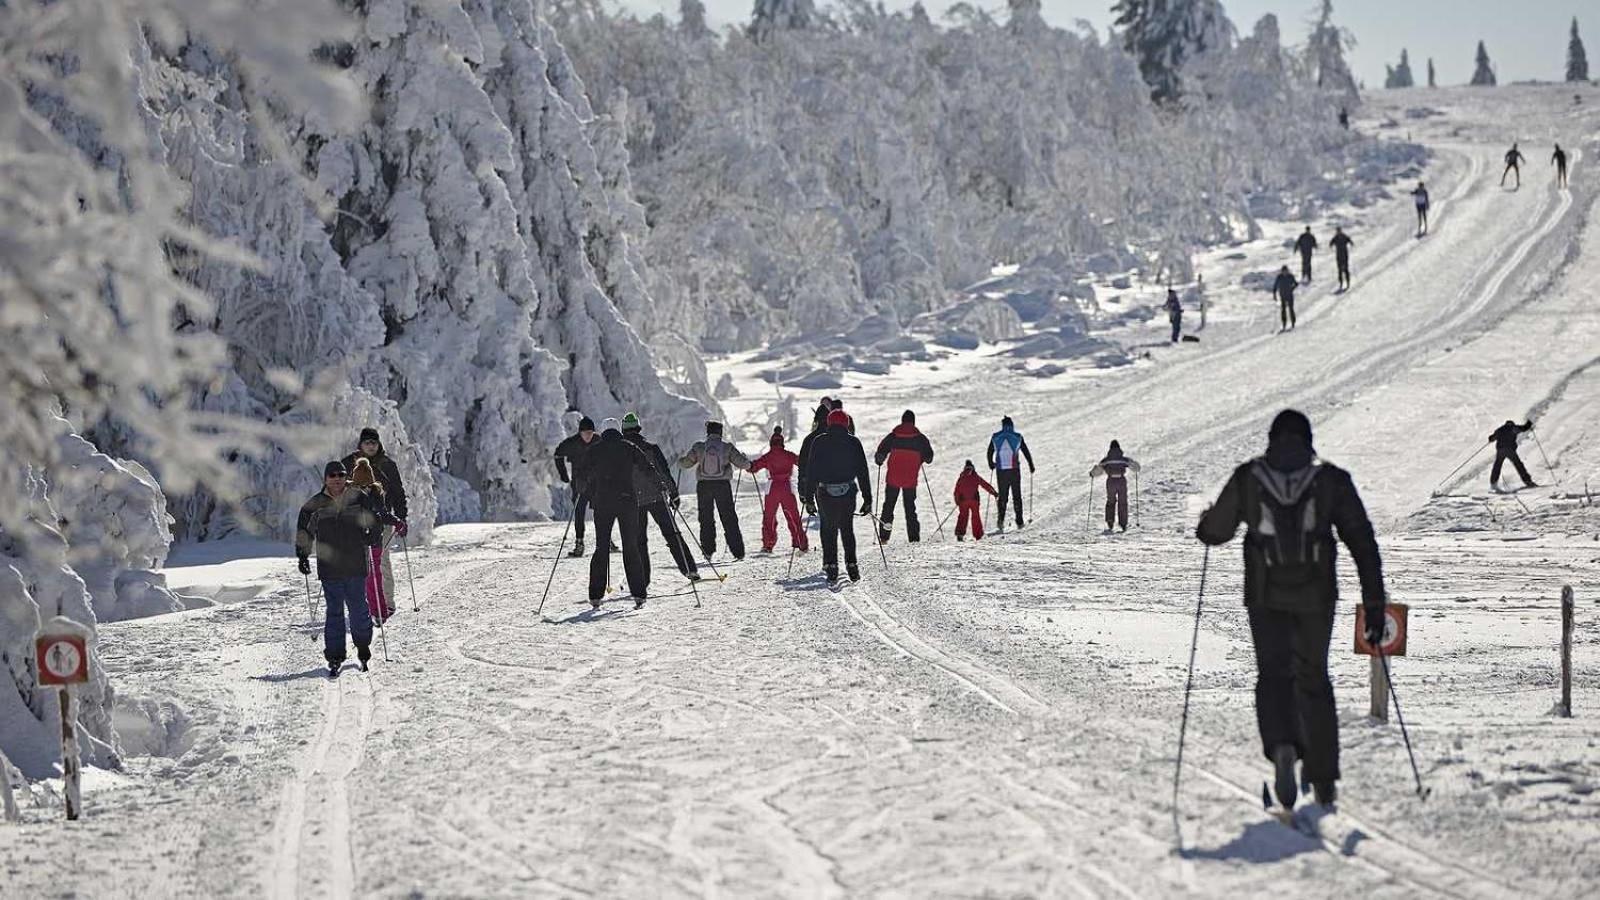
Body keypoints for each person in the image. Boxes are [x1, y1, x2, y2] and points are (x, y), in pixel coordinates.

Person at [1196, 410, 1387, 811]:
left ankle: (1283, 746)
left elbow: (1217, 531)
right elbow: (1363, 542)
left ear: (1272, 438)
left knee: (1273, 674)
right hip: (1317, 597)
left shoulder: (1250, 476)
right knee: (1314, 677)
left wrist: (1205, 521)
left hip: (1264, 597)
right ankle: (1322, 779)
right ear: (1307, 438)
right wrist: (1373, 605)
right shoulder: (1330, 479)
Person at [296, 461, 384, 677]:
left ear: (346, 478)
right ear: (325, 479)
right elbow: (304, 532)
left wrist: (372, 536)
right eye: (332, 475)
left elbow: (374, 519)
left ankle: (363, 646)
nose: (337, 479)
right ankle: (335, 655)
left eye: (341, 475)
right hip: (330, 567)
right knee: (334, 611)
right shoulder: (315, 504)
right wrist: (303, 555)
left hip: (355, 562)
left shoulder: (358, 498)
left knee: (358, 608)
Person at [579, 418, 663, 608]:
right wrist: (660, 484)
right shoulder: (629, 447)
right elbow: (647, 466)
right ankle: (639, 594)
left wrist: (582, 487)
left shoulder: (594, 450)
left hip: (603, 503)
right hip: (627, 502)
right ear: (618, 431)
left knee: (601, 547)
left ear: (602, 432)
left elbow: (581, 472)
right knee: (631, 546)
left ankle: (595, 596)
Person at [620, 413, 700, 583]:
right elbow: (663, 472)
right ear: (638, 428)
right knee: (672, 534)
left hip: (635, 502)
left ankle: (643, 580)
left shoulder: (622, 452)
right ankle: (689, 569)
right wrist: (673, 493)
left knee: (639, 541)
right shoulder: (652, 448)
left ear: (623, 431)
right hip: (658, 497)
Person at [799, 409, 872, 584]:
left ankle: (831, 566)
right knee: (847, 528)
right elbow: (863, 471)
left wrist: (809, 498)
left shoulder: (819, 441)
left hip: (825, 492)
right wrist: (867, 498)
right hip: (848, 490)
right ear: (846, 423)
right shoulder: (854, 442)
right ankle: (852, 564)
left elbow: (812, 471)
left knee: (829, 528)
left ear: (829, 423)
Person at [341, 428, 408, 604]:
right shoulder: (349, 463)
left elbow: (398, 492)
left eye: (374, 442)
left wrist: (402, 518)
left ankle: (386, 603)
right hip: (355, 522)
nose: (371, 446)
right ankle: (364, 603)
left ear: (379, 444)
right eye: (367, 442)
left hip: (382, 519)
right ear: (360, 444)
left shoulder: (387, 465)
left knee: (381, 561)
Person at [679, 421, 751, 560]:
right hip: (722, 485)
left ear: (708, 432)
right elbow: (744, 464)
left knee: (706, 518)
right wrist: (747, 460)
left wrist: (680, 461)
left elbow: (686, 463)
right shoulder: (727, 447)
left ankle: (708, 551)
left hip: (704, 486)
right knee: (728, 518)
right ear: (720, 432)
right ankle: (738, 552)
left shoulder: (699, 447)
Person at [349, 458, 403, 624]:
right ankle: (366, 611)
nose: (364, 488)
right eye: (361, 485)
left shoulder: (374, 495)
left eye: (366, 485)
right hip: (360, 543)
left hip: (372, 543)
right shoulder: (354, 496)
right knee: (363, 579)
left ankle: (378, 611)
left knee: (373, 578)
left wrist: (396, 521)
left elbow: (383, 514)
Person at [873, 410, 935, 543]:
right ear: (913, 422)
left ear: (902, 421)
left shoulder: (893, 436)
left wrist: (880, 459)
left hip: (893, 478)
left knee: (888, 507)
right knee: (910, 509)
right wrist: (921, 457)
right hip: (910, 479)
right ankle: (913, 539)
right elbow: (929, 458)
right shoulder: (920, 439)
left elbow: (880, 454)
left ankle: (884, 537)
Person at [749, 427, 808, 553]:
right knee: (793, 515)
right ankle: (800, 542)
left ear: (771, 443)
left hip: (772, 487)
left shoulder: (768, 456)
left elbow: (754, 467)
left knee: (769, 517)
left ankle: (768, 544)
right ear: (782, 443)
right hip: (787, 486)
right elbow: (802, 463)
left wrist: (748, 465)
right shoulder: (789, 455)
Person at [553, 417, 598, 557]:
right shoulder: (572, 443)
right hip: (579, 484)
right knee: (579, 512)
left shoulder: (598, 440)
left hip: (597, 483)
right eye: (585, 433)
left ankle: (605, 540)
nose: (588, 436)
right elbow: (557, 454)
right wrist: (563, 474)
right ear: (580, 433)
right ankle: (579, 542)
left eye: (590, 433)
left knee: (601, 511)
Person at [986, 416, 1035, 532]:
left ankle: (1000, 521)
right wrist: (1031, 466)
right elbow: (1026, 452)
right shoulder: (1018, 437)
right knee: (1016, 495)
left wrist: (991, 464)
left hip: (1001, 471)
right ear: (1012, 425)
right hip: (1014, 470)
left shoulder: (996, 437)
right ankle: (1019, 522)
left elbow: (989, 452)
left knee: (1003, 496)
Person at [1089, 441, 1141, 532]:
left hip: (1111, 481)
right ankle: (1123, 523)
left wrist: (1092, 474)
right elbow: (1136, 467)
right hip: (1121, 481)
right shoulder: (1124, 459)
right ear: (1119, 449)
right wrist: (1136, 467)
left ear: (1110, 449)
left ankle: (1110, 521)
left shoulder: (1106, 460)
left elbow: (1098, 470)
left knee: (1111, 501)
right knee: (1123, 502)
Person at [797, 399, 833, 519]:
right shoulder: (838, 437)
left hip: (818, 485)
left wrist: (802, 490)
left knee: (826, 520)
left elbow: (802, 466)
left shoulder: (809, 439)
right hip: (838, 484)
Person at [952, 460, 998, 541]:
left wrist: (957, 501)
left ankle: (960, 534)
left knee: (963, 516)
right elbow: (985, 485)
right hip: (974, 500)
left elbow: (956, 491)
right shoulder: (975, 476)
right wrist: (993, 492)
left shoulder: (962, 477)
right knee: (975, 517)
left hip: (963, 501)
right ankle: (978, 535)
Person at [1488, 419, 1537, 490]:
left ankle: (1493, 483)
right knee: (1518, 465)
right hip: (1510, 450)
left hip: (1500, 450)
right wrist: (1529, 424)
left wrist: (1490, 438)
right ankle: (1528, 481)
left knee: (1497, 465)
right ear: (1512, 424)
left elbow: (1492, 438)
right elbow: (1523, 428)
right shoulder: (1513, 428)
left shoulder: (1500, 429)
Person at [1272, 266, 1299, 331]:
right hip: (1283, 296)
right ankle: (1284, 324)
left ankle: (1293, 323)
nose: (1285, 273)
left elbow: (1296, 284)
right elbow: (1275, 287)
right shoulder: (1279, 277)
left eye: (1286, 271)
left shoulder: (1290, 276)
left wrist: (1292, 289)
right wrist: (1274, 295)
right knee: (1283, 310)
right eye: (1283, 271)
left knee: (1291, 309)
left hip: (1289, 295)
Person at [1330, 227, 1354, 292]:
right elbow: (1331, 243)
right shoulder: (1336, 237)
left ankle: (1348, 282)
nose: (1338, 232)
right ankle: (1341, 283)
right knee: (1340, 270)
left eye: (1339, 231)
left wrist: (1351, 243)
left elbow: (1350, 240)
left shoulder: (1343, 236)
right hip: (1339, 255)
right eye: (1337, 231)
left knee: (1345, 269)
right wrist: (1331, 245)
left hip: (1344, 255)